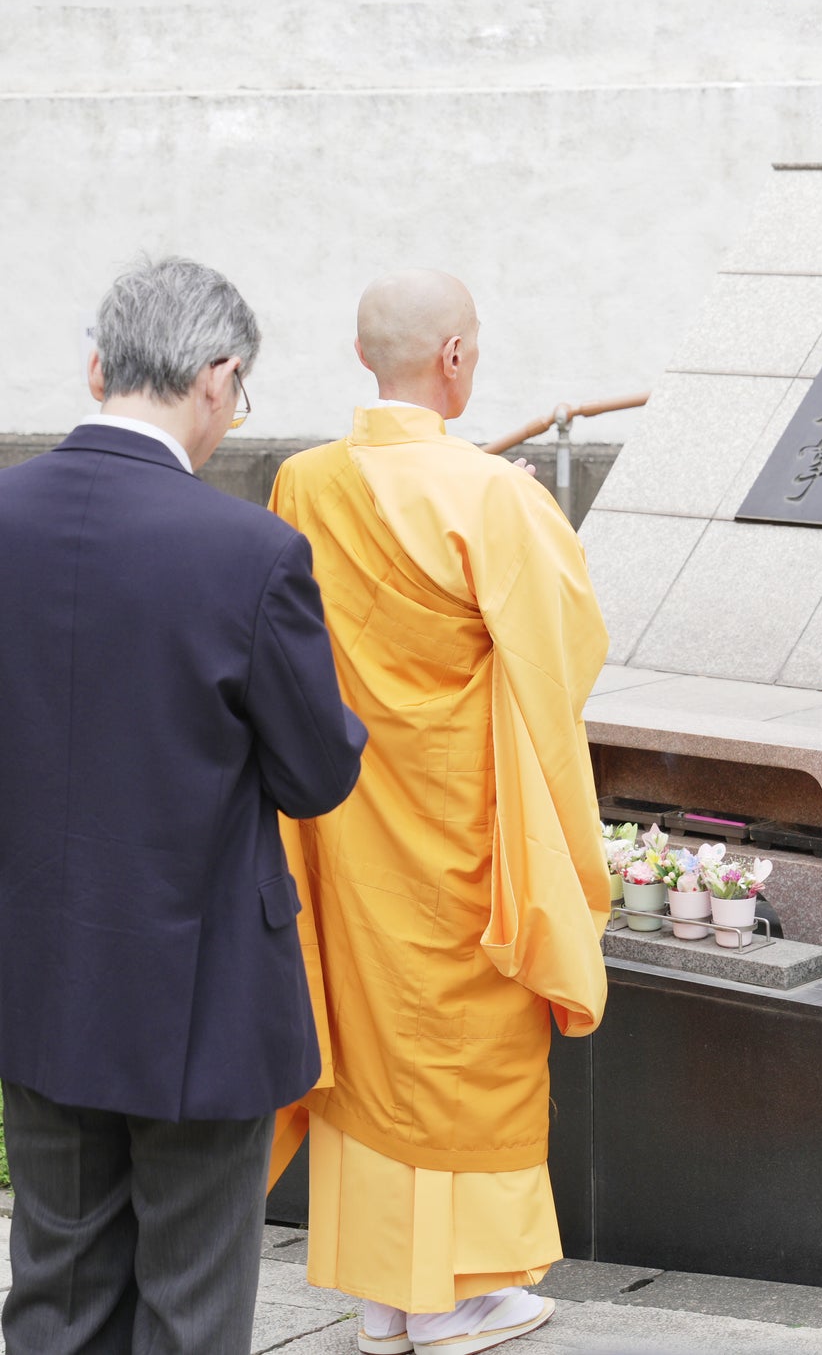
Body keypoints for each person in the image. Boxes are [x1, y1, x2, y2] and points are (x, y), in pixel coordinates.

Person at [0, 257, 368, 1355]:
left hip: (33, 969)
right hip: (197, 990)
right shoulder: (248, 552)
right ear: (219, 377)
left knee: (55, 1288)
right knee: (192, 1302)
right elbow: (317, 773)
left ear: (99, 366)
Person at [267, 269, 610, 1355]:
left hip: (345, 823)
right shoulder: (494, 494)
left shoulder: (300, 483)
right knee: (468, 1042)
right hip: (465, 823)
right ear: (454, 357)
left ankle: (384, 1293)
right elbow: (563, 654)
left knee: (365, 1036)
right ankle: (451, 1292)